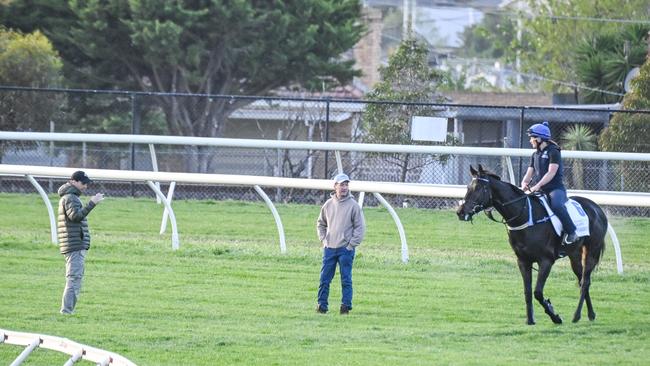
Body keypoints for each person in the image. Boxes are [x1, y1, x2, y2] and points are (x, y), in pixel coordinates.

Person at [520, 121, 578, 245]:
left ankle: (572, 231)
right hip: (539, 189)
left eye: (532, 138)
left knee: (556, 206)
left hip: (555, 189)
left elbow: (551, 173)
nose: (530, 141)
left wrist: (537, 186)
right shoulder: (535, 154)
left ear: (539, 139)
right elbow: (529, 172)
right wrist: (524, 183)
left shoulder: (554, 152)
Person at [316, 173, 365, 315]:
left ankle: (345, 306)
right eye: (341, 184)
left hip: (346, 250)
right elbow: (321, 224)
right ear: (335, 186)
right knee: (324, 279)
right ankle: (322, 305)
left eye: (346, 185)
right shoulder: (328, 205)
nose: (344, 187)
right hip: (330, 248)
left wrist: (351, 245)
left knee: (346, 279)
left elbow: (360, 228)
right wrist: (323, 240)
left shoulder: (354, 206)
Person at [57, 170, 104, 314]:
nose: (85, 186)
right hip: (74, 245)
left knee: (75, 278)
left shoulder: (70, 196)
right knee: (74, 279)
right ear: (73, 181)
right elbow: (76, 217)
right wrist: (92, 203)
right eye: (83, 183)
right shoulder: (70, 197)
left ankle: (67, 311)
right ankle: (66, 312)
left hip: (74, 244)